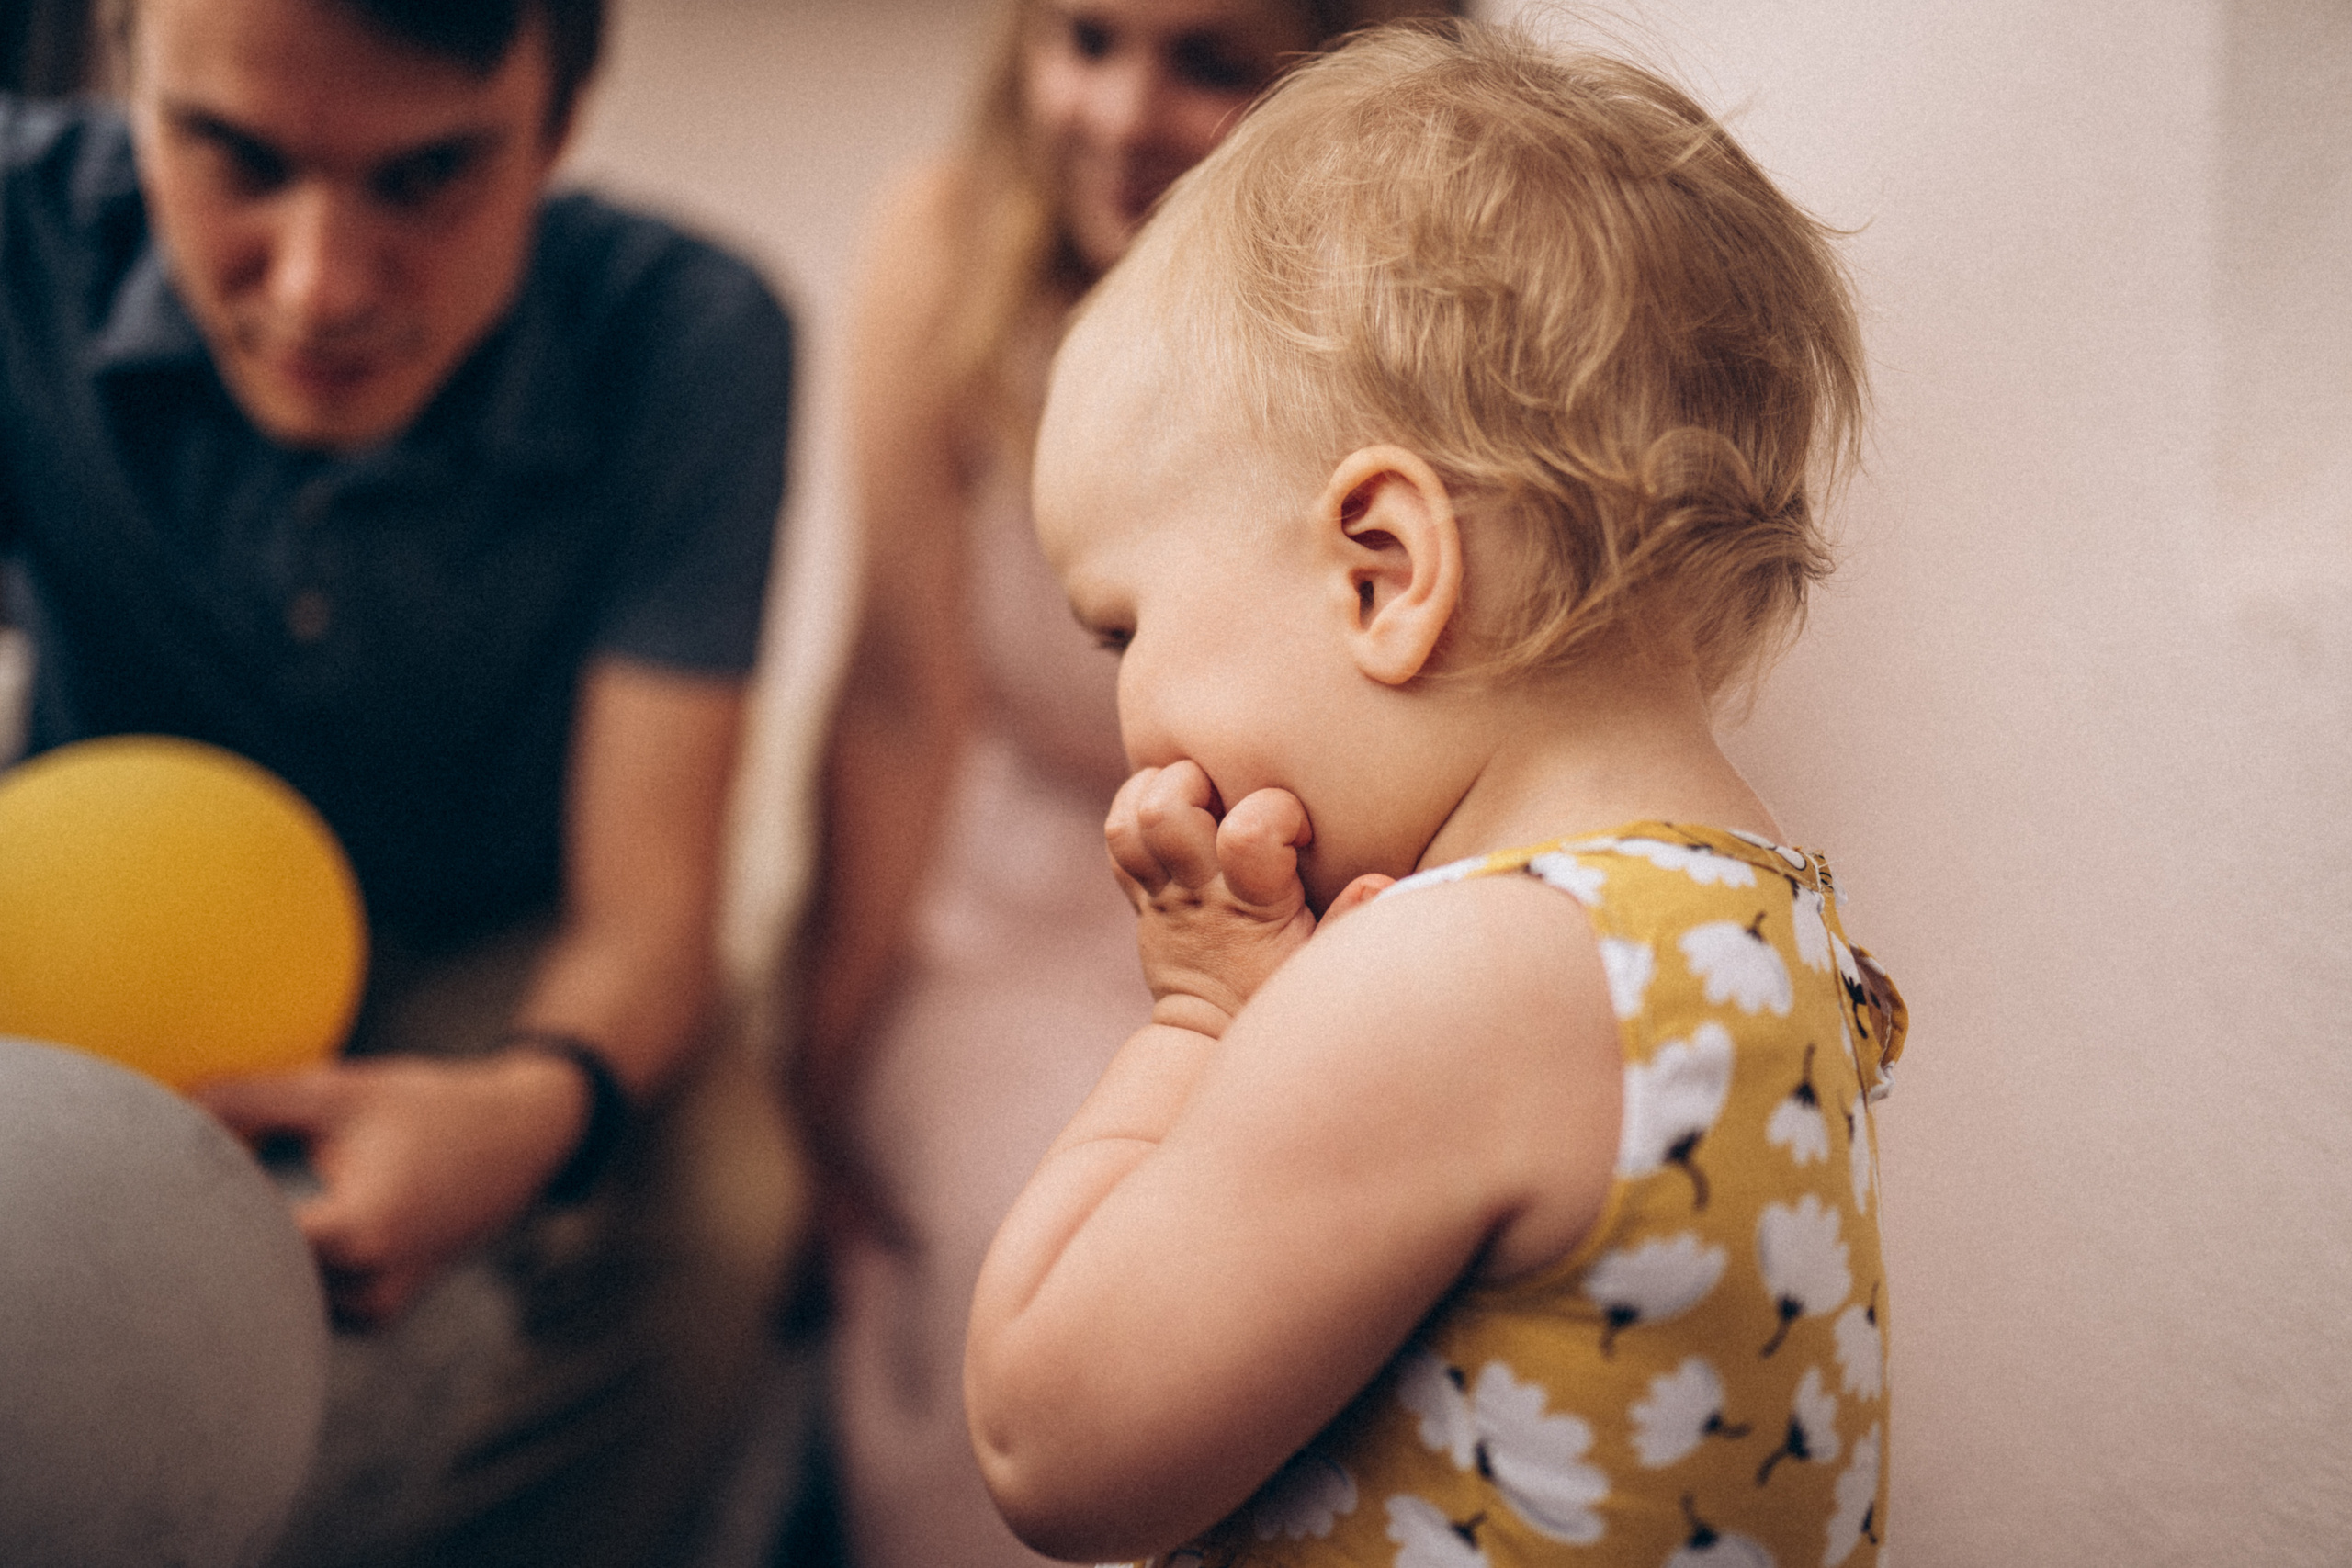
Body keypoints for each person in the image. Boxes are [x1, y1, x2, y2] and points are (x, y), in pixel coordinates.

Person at [966, 22, 1908, 1567]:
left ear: (1381, 572)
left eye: (1127, 627)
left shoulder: (1453, 988)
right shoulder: (1767, 918)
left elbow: (1044, 1442)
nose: (1127, 708)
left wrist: (1203, 1018)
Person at [0, 0, 802, 1563]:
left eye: (426, 176)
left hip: (497, 941)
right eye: (231, 153)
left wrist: (529, 1111)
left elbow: (650, 918)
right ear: (120, 62)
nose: (319, 286)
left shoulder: (697, 338)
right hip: (97, 932)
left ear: (560, 120)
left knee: (726, 1213)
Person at [790, 3, 1456, 1566]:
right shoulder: (949, 247)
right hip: (1020, 897)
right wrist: (814, 1076)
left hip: (1314, 900)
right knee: (1032, 1237)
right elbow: (895, 702)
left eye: (1207, 63)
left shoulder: (1410, 312)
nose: (1118, 113)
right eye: (1084, 38)